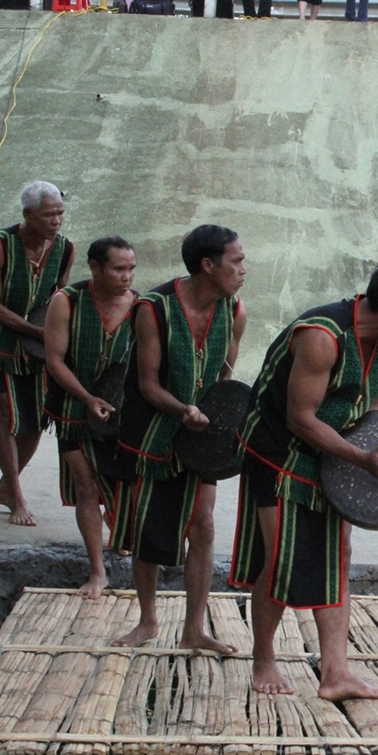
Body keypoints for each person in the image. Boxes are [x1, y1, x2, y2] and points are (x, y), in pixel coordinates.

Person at [232, 259, 378, 699]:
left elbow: (370, 401)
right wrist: (362, 459)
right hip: (278, 451)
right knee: (280, 559)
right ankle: (264, 660)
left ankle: (336, 674)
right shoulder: (322, 338)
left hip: (335, 450)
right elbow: (300, 419)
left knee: (339, 553)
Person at [110, 225, 247, 652]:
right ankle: (148, 621)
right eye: (236, 261)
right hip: (152, 430)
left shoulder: (234, 310)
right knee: (148, 529)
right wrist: (183, 409)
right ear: (207, 265)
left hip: (202, 436)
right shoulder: (153, 308)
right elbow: (147, 384)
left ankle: (193, 629)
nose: (244, 269)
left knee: (203, 526)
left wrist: (219, 417)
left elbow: (224, 375)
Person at [0, 181, 74, 527]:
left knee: (36, 420)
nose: (56, 220)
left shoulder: (64, 249)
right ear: (28, 215)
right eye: (48, 214)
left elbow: (59, 299)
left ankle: (4, 488)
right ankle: (16, 496)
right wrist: (38, 332)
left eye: (60, 212)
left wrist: (55, 337)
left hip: (38, 349)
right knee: (8, 418)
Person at [43, 236, 137, 600]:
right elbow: (54, 360)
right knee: (86, 486)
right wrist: (86, 397)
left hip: (119, 413)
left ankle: (120, 531)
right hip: (71, 408)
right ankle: (97, 570)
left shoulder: (142, 307)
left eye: (131, 269)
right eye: (118, 268)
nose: (126, 276)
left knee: (123, 483)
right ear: (95, 268)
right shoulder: (66, 301)